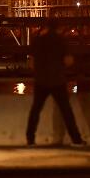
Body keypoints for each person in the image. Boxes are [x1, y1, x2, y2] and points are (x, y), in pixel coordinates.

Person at [25, 18, 85, 146]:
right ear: (58, 28)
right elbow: (68, 61)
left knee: (35, 110)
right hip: (57, 80)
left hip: (41, 80)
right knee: (66, 111)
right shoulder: (61, 41)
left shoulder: (37, 40)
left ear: (46, 27)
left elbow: (31, 63)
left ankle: (30, 139)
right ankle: (76, 139)